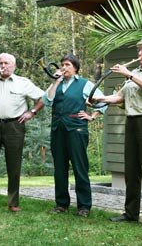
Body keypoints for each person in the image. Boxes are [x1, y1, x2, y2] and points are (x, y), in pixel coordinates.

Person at [89, 39, 142, 230]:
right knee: (131, 170)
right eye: (139, 50)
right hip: (132, 121)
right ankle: (131, 213)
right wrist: (98, 99)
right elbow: (120, 97)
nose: (140, 53)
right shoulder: (135, 73)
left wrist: (128, 75)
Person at [0, 53, 44, 212]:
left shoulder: (23, 83)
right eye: (0, 63)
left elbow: (42, 98)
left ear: (14, 66)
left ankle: (13, 203)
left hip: (14, 126)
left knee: (14, 165)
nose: (3, 66)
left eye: (6, 63)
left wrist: (32, 112)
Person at [42, 54, 106, 218]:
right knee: (60, 168)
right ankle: (61, 204)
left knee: (80, 167)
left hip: (77, 131)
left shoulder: (84, 84)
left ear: (75, 68)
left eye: (67, 65)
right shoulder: (56, 84)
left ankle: (84, 206)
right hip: (58, 130)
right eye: (62, 65)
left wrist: (92, 116)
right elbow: (47, 101)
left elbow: (104, 103)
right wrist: (55, 81)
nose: (64, 68)